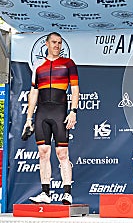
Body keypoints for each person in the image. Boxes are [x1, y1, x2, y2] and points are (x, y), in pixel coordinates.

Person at [23, 32, 79, 204]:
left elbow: (75, 89)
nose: (57, 45)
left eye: (60, 43)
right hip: (42, 113)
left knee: (62, 153)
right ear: (46, 43)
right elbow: (33, 92)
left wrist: (73, 111)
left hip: (60, 111)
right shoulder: (38, 66)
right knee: (43, 152)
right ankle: (45, 193)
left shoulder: (68, 64)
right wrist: (28, 119)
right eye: (54, 42)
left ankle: (67, 193)